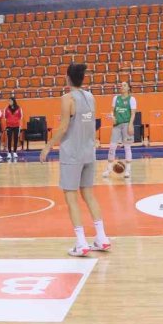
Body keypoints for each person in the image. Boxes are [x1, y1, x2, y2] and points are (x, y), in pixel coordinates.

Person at [40, 63, 111, 257]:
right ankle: (102, 237)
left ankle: (81, 243)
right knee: (89, 195)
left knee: (71, 197)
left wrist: (47, 146)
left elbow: (63, 127)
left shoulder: (67, 98)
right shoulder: (91, 97)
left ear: (68, 78)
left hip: (72, 153)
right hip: (89, 152)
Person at [103, 81, 137, 178]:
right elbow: (112, 111)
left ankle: (128, 170)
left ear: (128, 88)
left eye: (124, 85)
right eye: (121, 85)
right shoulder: (115, 98)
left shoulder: (132, 99)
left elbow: (133, 113)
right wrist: (112, 116)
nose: (122, 86)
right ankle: (108, 169)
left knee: (127, 147)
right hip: (116, 125)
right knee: (112, 146)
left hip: (126, 124)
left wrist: (130, 125)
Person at [4, 96, 23, 161]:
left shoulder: (19, 108)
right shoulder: (6, 109)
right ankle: (9, 152)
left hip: (16, 126)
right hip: (9, 126)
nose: (9, 102)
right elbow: (5, 117)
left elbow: (20, 117)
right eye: (9, 101)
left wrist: (16, 121)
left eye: (10, 101)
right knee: (9, 139)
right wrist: (9, 121)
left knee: (15, 139)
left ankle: (14, 152)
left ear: (14, 101)